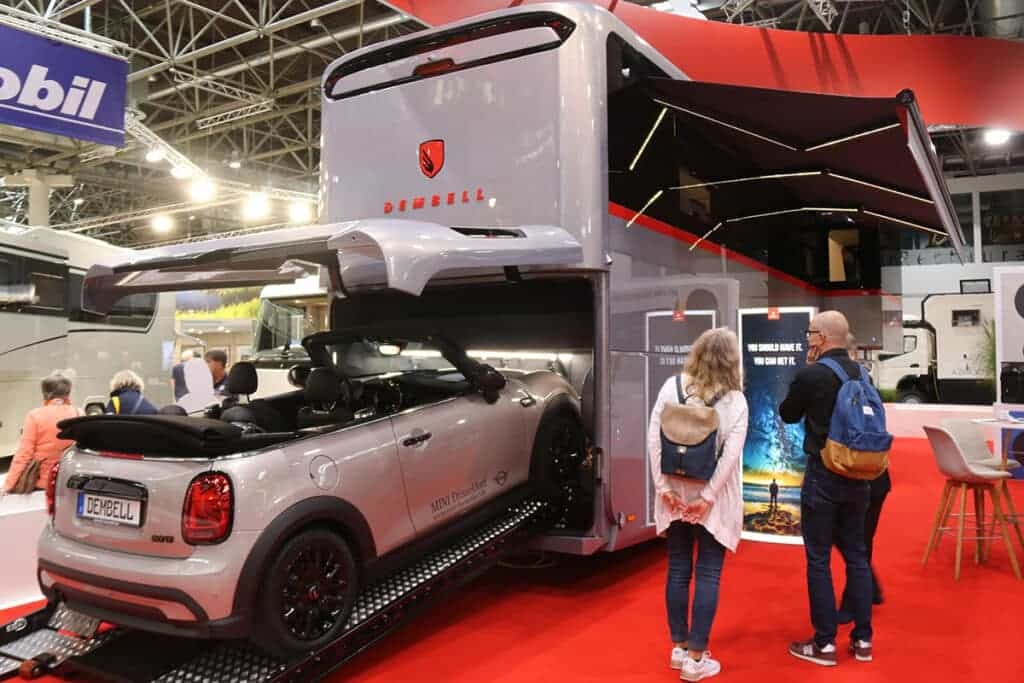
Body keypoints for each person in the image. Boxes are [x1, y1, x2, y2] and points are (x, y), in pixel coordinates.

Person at [648, 328, 749, 682]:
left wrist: (663, 488)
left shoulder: (671, 387)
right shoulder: (735, 400)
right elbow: (731, 457)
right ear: (732, 359)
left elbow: (652, 439)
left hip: (674, 494)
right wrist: (706, 499)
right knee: (708, 572)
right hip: (713, 501)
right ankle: (696, 658)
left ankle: (678, 647)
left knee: (677, 569)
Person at [780, 311, 874, 666]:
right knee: (857, 555)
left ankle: (824, 644)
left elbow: (788, 413)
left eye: (810, 333)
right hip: (861, 475)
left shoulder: (812, 374)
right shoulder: (862, 373)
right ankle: (863, 640)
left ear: (820, 337)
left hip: (823, 475)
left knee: (818, 559)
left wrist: (803, 373)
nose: (807, 338)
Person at [838, 333, 891, 622]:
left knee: (852, 540)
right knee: (860, 540)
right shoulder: (866, 382)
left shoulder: (845, 385)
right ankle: (869, 588)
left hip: (858, 473)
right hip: (877, 471)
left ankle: (854, 602)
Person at [3, 374, 79, 493]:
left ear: (45, 393)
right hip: (70, 481)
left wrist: (8, 485)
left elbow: (24, 454)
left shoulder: (34, 416)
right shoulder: (78, 413)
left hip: (43, 483)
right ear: (67, 393)